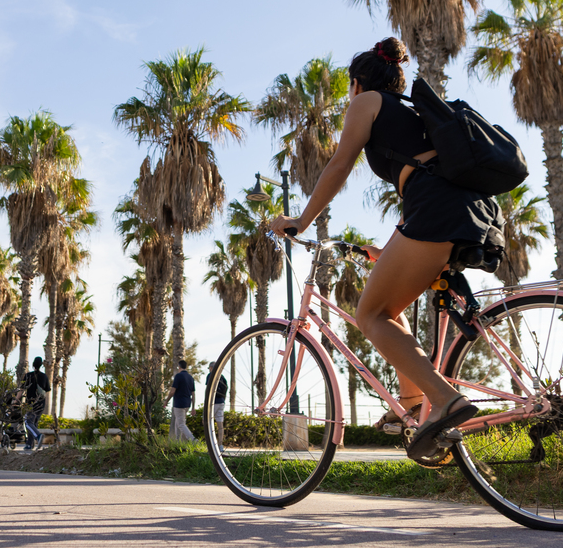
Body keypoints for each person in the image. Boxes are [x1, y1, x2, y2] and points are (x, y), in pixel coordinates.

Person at [268, 37, 504, 464]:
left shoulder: (367, 102)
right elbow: (425, 181)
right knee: (390, 312)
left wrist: (301, 220)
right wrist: (389, 248)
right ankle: (414, 407)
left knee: (370, 314)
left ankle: (445, 401)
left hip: (436, 210)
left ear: (358, 83)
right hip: (469, 210)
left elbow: (341, 163)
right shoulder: (411, 111)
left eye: (350, 87)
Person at [163, 359, 196, 442]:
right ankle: (177, 442)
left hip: (179, 404)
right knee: (178, 423)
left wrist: (166, 401)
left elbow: (172, 391)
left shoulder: (178, 376)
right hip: (187, 404)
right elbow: (193, 394)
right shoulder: (191, 378)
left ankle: (193, 440)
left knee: (181, 424)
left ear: (179, 367)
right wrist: (193, 407)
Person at [22, 356, 50, 450]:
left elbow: (21, 390)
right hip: (41, 404)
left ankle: (38, 436)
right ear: (41, 365)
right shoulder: (44, 376)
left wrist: (15, 401)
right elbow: (47, 390)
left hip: (31, 403)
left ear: (33, 364)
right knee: (33, 423)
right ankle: (29, 444)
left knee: (28, 422)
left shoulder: (28, 376)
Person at [206, 371, 228, 448]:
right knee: (220, 425)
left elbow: (208, 389)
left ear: (211, 368)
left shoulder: (210, 375)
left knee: (207, 422)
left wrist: (206, 402)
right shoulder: (222, 376)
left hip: (213, 402)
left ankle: (211, 444)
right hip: (221, 402)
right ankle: (220, 445)